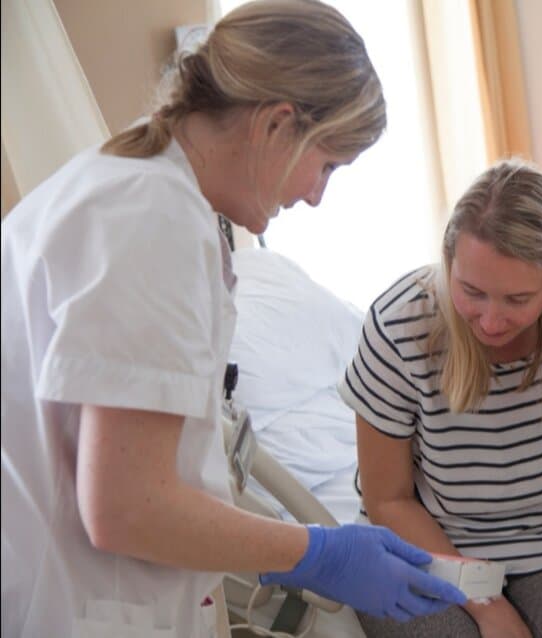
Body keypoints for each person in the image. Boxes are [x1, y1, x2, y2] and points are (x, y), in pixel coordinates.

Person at [0, 1, 466, 636]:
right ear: (277, 124)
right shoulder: (152, 220)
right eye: (327, 165)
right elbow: (124, 506)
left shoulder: (134, 186)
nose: (315, 196)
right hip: (71, 604)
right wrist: (315, 552)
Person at [338, 160, 542, 638]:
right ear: (449, 261)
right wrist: (484, 602)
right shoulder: (399, 325)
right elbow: (388, 499)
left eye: (517, 300)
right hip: (424, 547)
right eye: (472, 292)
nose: (489, 321)